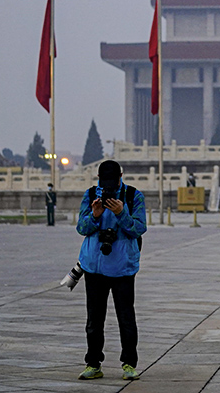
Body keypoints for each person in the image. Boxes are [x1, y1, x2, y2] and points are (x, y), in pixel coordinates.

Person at [76, 160, 147, 381]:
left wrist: (121, 213)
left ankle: (129, 363)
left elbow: (139, 228)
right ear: (98, 178)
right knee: (94, 319)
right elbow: (81, 228)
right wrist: (95, 215)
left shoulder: (133, 196)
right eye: (104, 182)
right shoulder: (90, 196)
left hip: (123, 267)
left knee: (126, 317)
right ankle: (93, 363)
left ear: (121, 176)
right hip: (94, 267)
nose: (108, 188)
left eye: (112, 182)